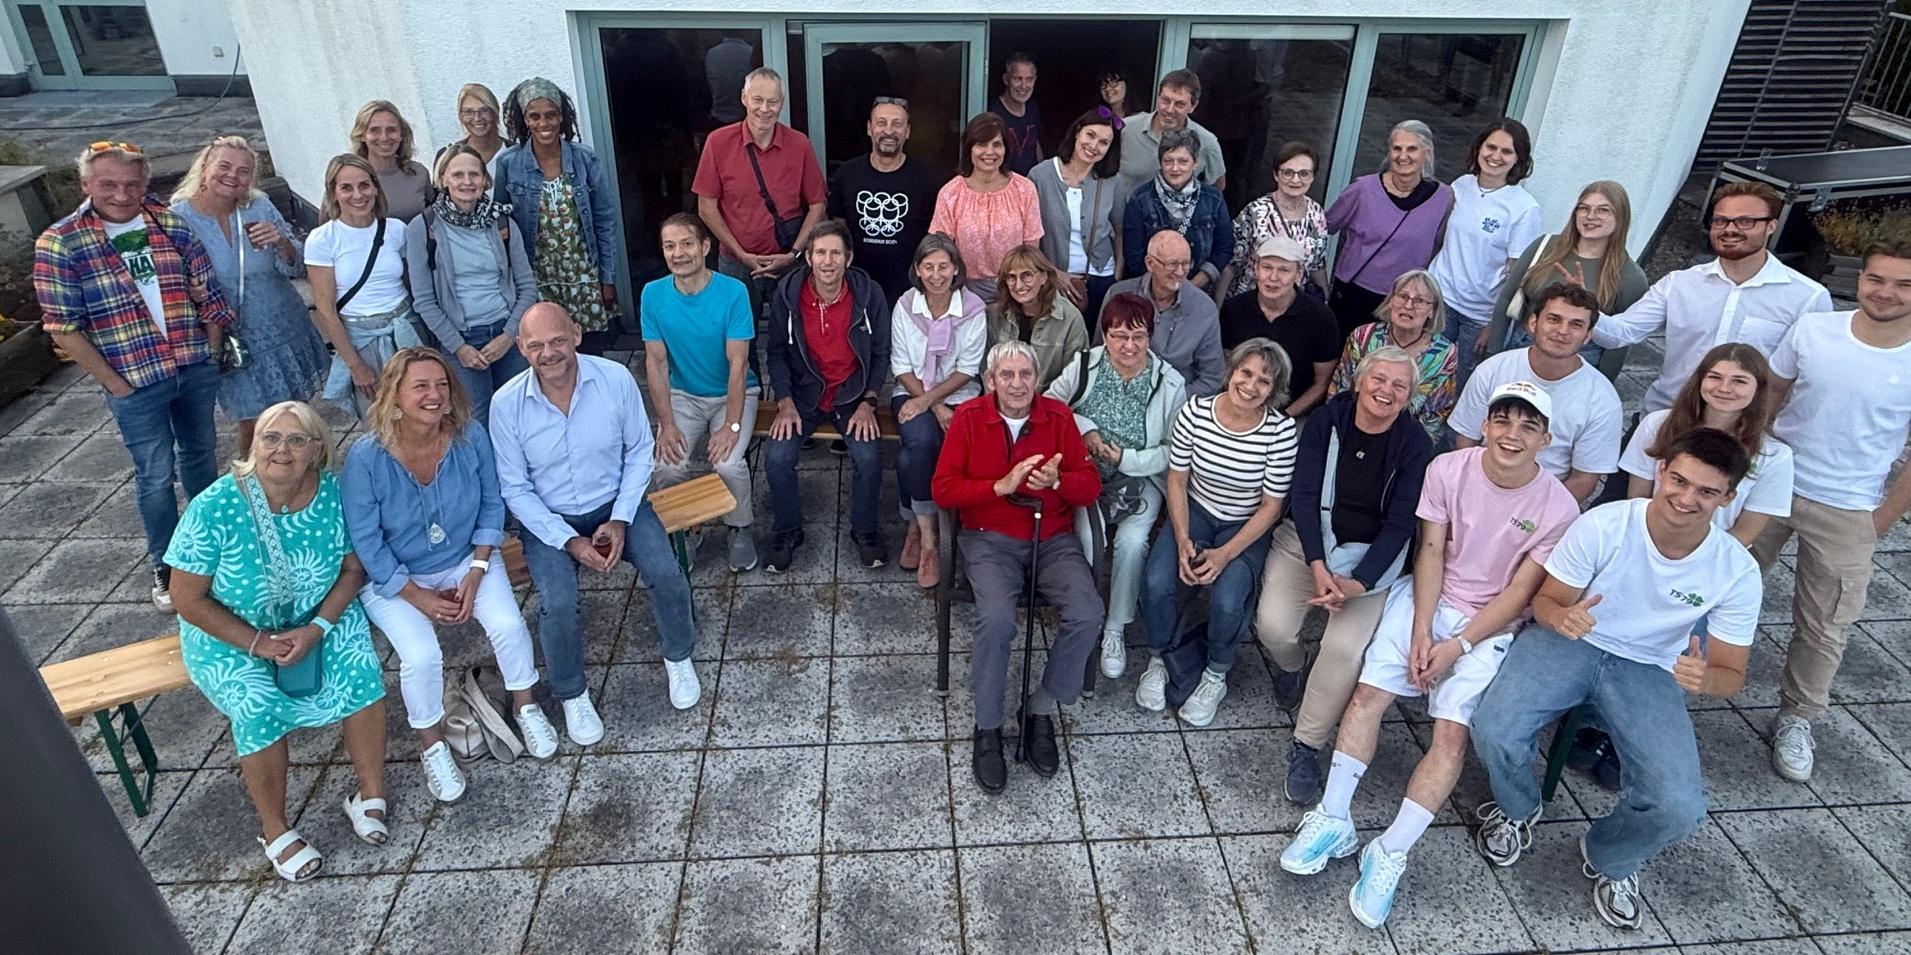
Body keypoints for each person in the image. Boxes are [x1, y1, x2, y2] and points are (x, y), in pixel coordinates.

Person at [1278, 381, 1578, 927]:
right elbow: (1432, 549)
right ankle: (1334, 816)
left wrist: (1458, 645)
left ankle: (1390, 851)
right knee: (1368, 697)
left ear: (1546, 439)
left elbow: (1519, 592)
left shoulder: (1558, 506)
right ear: (1485, 425)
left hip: (1490, 624)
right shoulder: (1448, 469)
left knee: (1450, 733)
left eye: (1527, 426)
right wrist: (1422, 629)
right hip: (1427, 597)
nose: (1512, 435)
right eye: (1503, 421)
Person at [1471, 428, 1761, 931]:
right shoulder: (1605, 524)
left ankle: (1610, 854)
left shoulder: (1735, 569)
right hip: (1573, 639)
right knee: (1494, 728)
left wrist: (1704, 678)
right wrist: (1560, 618)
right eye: (1678, 480)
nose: (1686, 498)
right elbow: (1547, 601)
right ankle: (1518, 807)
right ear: (1660, 471)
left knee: (1681, 805)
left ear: (1728, 498)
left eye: (1707, 491)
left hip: (1651, 666)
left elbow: (1731, 674)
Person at [165, 401, 388, 882]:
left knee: (361, 671)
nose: (281, 449)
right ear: (253, 445)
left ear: (316, 451)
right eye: (270, 437)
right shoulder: (215, 507)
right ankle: (275, 829)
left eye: (296, 439)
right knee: (255, 705)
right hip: (229, 632)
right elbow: (186, 599)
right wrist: (258, 644)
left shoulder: (334, 494)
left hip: (318, 617)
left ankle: (369, 793)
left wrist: (318, 628)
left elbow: (353, 570)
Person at [343, 350, 557, 803]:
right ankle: (433, 746)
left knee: (508, 624)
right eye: (420, 386)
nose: (435, 395)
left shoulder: (468, 435)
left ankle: (527, 706)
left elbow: (491, 504)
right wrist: (416, 595)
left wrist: (478, 569)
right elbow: (366, 541)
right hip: (396, 576)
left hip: (466, 556)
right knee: (420, 655)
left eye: (441, 385)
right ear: (395, 395)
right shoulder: (365, 457)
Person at [491, 304, 702, 746]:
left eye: (557, 341)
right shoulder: (505, 403)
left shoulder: (614, 379)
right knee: (558, 602)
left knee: (665, 571)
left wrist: (621, 519)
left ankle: (679, 656)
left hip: (617, 502)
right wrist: (567, 540)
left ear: (577, 335)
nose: (549, 353)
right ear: (521, 349)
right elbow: (514, 488)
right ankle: (572, 693)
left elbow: (639, 451)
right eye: (536, 346)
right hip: (549, 519)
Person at [37, 141, 234, 610]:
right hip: (135, 378)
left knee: (202, 461)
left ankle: (212, 555)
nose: (122, 194)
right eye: (108, 184)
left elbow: (208, 291)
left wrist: (208, 348)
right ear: (86, 185)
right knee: (154, 473)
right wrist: (115, 383)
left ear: (144, 183)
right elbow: (63, 327)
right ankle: (167, 567)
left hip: (191, 364)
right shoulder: (62, 242)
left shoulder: (169, 224)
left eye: (131, 184)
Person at [1753, 242, 1911, 783]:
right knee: (1720, 585)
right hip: (1775, 485)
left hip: (1850, 507)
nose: (1885, 292)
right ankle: (1676, 675)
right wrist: (1757, 458)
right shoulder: (1816, 329)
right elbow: (1773, 391)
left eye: (1902, 284)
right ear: (1861, 279)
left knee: (1825, 625)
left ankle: (1797, 717)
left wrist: (1882, 518)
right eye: (1876, 279)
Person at [1258, 348, 1431, 802]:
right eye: (1379, 379)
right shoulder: (1325, 422)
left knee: (1343, 650)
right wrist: (1317, 565)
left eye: (1399, 386)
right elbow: (1304, 493)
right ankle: (1293, 668)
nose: (1386, 391)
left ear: (1409, 396)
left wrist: (1359, 582)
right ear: (1359, 381)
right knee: (1273, 628)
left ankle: (1307, 743)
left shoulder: (1416, 444)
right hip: (1308, 543)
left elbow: (1401, 525)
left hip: (1370, 560)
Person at [931, 340, 1103, 792]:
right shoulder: (969, 419)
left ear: (1037, 379)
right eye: (1006, 375)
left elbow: (1089, 487)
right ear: (990, 381)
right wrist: (999, 486)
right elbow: (944, 489)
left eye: (1025, 374)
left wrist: (1060, 480)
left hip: (1052, 537)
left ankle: (1040, 708)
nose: (1016, 383)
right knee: (996, 619)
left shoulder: (1058, 417)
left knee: (1088, 613)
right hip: (990, 539)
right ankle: (987, 727)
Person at [1135, 339, 1299, 726]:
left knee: (1228, 599)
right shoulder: (1195, 412)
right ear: (1232, 371)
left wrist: (1224, 555)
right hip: (1197, 509)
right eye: (1246, 373)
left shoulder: (1280, 431)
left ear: (1273, 391)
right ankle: (1158, 658)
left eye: (1264, 381)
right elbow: (1177, 480)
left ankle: (1216, 672)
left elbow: (1271, 506)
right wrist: (1182, 539)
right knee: (1158, 581)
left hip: (1246, 523)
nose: (1251, 385)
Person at [1591, 181, 1833, 414]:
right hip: (1665, 420)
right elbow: (1620, 333)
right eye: (1721, 221)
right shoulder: (1679, 283)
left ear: (1771, 226)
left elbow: (1810, 379)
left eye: (1745, 221)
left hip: (1739, 435)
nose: (1730, 229)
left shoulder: (1808, 298)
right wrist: (1582, 307)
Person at [1045, 293, 1188, 679]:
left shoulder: (1170, 382)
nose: (1129, 346)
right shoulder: (1085, 366)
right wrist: (1086, 429)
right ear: (1105, 335)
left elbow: (1175, 450)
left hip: (1140, 478)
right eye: (1119, 336)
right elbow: (1050, 406)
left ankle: (1115, 628)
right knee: (1090, 539)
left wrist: (1126, 459)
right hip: (1089, 475)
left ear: (1150, 337)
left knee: (1131, 542)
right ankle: (1085, 615)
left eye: (1138, 337)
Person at [169, 135, 327, 458]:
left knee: (294, 415)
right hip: (233, 338)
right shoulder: (178, 218)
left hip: (282, 327)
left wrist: (281, 242)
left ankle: (298, 478)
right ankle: (252, 489)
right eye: (224, 166)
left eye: (244, 171)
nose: (233, 176)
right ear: (204, 167)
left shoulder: (259, 205)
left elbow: (296, 264)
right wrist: (191, 291)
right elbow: (168, 281)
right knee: (254, 424)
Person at [762, 221, 892, 573]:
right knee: (776, 458)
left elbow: (881, 353)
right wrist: (784, 400)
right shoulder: (788, 295)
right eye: (820, 252)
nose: (828, 261)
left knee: (868, 457)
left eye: (836, 253)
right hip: (803, 396)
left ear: (848, 258)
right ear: (808, 257)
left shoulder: (869, 294)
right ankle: (788, 530)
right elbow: (775, 351)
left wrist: (869, 400)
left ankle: (864, 531)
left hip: (851, 396)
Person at [642, 212, 761, 573]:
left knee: (728, 462)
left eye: (687, 243)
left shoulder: (733, 292)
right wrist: (666, 424)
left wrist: (732, 427)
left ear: (706, 247)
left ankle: (739, 528)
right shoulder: (653, 294)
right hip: (685, 395)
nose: (679, 253)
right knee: (666, 463)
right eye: (670, 246)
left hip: (734, 394)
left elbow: (738, 365)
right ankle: (684, 531)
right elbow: (656, 364)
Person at [1450, 284, 1621, 503]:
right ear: (1533, 323)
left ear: (1588, 336)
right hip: (1481, 486)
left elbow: (1584, 478)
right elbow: (1466, 439)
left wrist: (1535, 517)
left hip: (1546, 501)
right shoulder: (1493, 370)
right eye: (1554, 319)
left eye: (1576, 325)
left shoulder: (1603, 399)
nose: (1563, 331)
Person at [406, 144, 536, 425]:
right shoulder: (422, 228)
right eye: (458, 175)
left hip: (506, 334)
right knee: (475, 420)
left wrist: (509, 336)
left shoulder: (502, 222)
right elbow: (424, 301)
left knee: (520, 415)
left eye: (474, 174)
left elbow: (527, 287)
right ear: (443, 180)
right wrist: (459, 347)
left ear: (485, 181)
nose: (467, 182)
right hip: (461, 340)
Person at [495, 77, 624, 355]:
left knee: (590, 352)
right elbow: (501, 223)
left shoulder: (585, 159)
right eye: (535, 116)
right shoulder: (509, 164)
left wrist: (607, 277)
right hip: (537, 277)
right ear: (524, 120)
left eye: (551, 115)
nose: (544, 123)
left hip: (583, 276)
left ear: (562, 117)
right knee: (548, 351)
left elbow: (605, 220)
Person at [1621, 343, 1791, 547]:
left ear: (1758, 389)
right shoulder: (1657, 425)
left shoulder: (1775, 456)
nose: (1724, 388)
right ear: (1700, 380)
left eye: (1739, 381)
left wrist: (1699, 560)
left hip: (1715, 556)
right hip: (1646, 542)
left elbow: (1745, 532)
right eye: (1715, 377)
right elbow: (1637, 500)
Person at [890, 233, 988, 588]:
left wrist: (933, 403)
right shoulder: (905, 306)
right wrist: (930, 405)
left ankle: (916, 522)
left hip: (959, 395)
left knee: (909, 459)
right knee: (921, 441)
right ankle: (931, 542)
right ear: (917, 269)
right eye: (928, 266)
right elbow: (900, 365)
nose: (935, 275)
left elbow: (968, 368)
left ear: (956, 269)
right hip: (911, 391)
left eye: (943, 266)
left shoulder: (973, 309)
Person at [694, 67, 827, 320]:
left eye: (772, 102)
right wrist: (742, 254)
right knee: (737, 336)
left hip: (788, 260)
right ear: (744, 98)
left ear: (782, 104)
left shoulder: (799, 144)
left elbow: (817, 205)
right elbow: (706, 207)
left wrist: (794, 254)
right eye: (757, 100)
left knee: (792, 333)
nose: (764, 109)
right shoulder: (718, 142)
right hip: (736, 262)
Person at [1485, 181, 1650, 378]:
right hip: (1521, 348)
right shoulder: (1544, 247)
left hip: (1579, 361)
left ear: (1620, 218)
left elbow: (1621, 341)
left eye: (1603, 210)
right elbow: (1506, 298)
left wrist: (1603, 384)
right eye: (1584, 208)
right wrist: (1493, 354)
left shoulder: (1630, 277)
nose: (1590, 216)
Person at [1429, 119, 1543, 387]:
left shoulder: (1524, 209)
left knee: (1462, 387)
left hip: (1478, 316)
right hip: (1439, 301)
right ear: (1479, 148)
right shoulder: (1461, 186)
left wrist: (1495, 326)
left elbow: (1519, 277)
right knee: (1427, 378)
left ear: (1518, 159)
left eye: (1507, 151)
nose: (1495, 156)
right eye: (1491, 147)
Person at [1325, 120, 1456, 340]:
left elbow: (1438, 243)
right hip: (1353, 293)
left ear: (1427, 152)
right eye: (1397, 148)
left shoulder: (1443, 197)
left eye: (1412, 149)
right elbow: (1324, 227)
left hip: (1404, 301)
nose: (1403, 156)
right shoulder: (1362, 189)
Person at [306, 154, 417, 412]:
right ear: (333, 193)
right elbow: (326, 309)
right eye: (346, 187)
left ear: (375, 188)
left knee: (417, 411)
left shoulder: (396, 229)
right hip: (361, 340)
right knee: (378, 419)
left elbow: (411, 283)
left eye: (364, 185)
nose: (358, 195)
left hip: (405, 329)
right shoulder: (322, 240)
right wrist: (355, 364)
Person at [828, 97, 937, 307]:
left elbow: (933, 239)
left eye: (897, 124)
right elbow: (837, 229)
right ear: (870, 128)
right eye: (881, 122)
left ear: (907, 131)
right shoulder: (848, 174)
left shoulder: (926, 179)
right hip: (855, 287)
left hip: (909, 291)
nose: (889, 131)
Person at [1328, 269, 1458, 443]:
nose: (1408, 305)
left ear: (1432, 310)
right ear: (1391, 301)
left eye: (1419, 301)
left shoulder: (1444, 355)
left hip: (1404, 443)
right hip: (1351, 428)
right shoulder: (1364, 337)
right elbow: (1339, 389)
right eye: (1403, 296)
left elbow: (1436, 416)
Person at [1218, 237, 1341, 418]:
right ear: (1256, 269)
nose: (1273, 277)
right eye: (1267, 267)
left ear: (1298, 274)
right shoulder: (1234, 309)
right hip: (1239, 404)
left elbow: (1321, 383)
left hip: (1293, 413)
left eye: (1284, 270)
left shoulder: (1321, 318)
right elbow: (1225, 365)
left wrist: (1282, 418)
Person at [928, 112, 1044, 303]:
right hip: (965, 291)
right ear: (969, 148)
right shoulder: (951, 193)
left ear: (1006, 149)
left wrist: (1022, 289)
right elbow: (941, 250)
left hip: (1015, 290)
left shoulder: (1024, 189)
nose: (990, 152)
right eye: (981, 144)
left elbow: (1031, 247)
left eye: (997, 144)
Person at [1101, 231, 1226, 396]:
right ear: (1150, 263)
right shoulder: (1118, 295)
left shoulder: (1204, 309)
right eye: (1172, 264)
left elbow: (1212, 378)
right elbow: (1099, 353)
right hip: (1119, 394)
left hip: (1177, 403)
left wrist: (1169, 402)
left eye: (1186, 264)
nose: (1180, 272)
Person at [1030, 108, 1123, 325]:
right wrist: (1055, 273)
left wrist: (1117, 273)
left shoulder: (1112, 181)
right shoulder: (1040, 175)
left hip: (1101, 277)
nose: (1094, 146)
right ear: (1077, 132)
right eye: (1090, 135)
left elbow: (1120, 230)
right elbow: (1030, 236)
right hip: (1054, 278)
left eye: (1103, 142)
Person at [1121, 130, 1233, 294]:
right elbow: (1133, 255)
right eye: (1168, 161)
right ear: (1160, 162)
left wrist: (1193, 286)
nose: (1175, 168)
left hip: (1199, 290)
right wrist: (1163, 285)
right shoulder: (1140, 199)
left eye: (1183, 161)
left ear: (1195, 163)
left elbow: (1224, 248)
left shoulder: (1213, 199)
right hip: (1151, 291)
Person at [1220, 141, 1330, 302]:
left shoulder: (1317, 213)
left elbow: (1317, 266)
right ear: (1276, 174)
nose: (1295, 179)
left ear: (1313, 176)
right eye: (1288, 172)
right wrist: (1217, 309)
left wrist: (1325, 302)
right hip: (1250, 303)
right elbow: (1230, 266)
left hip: (1294, 306)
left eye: (1304, 173)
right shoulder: (1256, 212)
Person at [1115, 70, 1227, 212]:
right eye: (1165, 100)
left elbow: (1216, 190)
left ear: (1193, 106)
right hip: (1127, 226)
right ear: (1157, 97)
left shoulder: (1207, 142)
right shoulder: (1126, 129)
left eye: (1179, 104)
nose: (1169, 109)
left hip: (1178, 230)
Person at [986, 244, 1087, 391]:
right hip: (1003, 402)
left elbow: (1074, 375)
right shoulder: (997, 315)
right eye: (1011, 277)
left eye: (1026, 275)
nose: (1019, 285)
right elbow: (988, 369)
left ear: (1044, 277)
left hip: (1050, 403)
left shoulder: (1069, 318)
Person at [349, 99, 433, 222]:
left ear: (401, 134)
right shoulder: (347, 178)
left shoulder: (418, 173)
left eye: (391, 130)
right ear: (362, 135)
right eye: (375, 130)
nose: (384, 137)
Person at [987, 52, 1043, 176]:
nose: (1024, 86)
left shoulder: (1032, 107)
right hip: (1003, 183)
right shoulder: (993, 112)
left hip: (1030, 183)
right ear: (1006, 79)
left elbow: (1035, 144)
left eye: (1029, 79)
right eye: (1017, 79)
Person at [438, 83, 507, 178]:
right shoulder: (447, 156)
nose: (477, 118)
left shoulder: (517, 154)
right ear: (461, 116)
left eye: (484, 110)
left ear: (495, 113)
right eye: (468, 112)